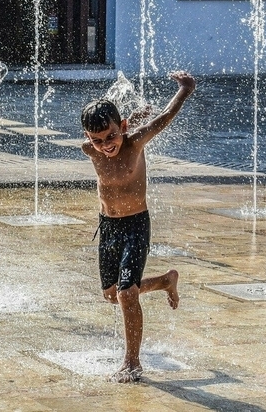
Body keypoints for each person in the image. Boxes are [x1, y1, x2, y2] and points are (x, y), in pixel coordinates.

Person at [80, 71, 195, 383]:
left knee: (127, 295)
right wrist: (127, 121)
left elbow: (165, 118)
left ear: (122, 128)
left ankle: (132, 362)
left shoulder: (135, 142)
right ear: (89, 138)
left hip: (135, 225)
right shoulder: (89, 150)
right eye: (97, 140)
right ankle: (166, 281)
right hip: (108, 226)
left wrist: (184, 90)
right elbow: (104, 137)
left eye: (111, 136)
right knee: (112, 295)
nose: (106, 145)